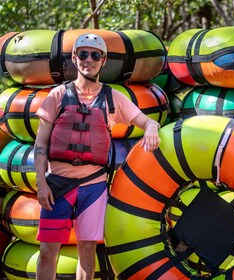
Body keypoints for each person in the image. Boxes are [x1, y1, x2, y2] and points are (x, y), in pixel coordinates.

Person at [34, 33, 161, 280]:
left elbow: (146, 121)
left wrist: (152, 128)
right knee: (48, 251)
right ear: (74, 58)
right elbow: (41, 143)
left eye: (94, 55)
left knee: (88, 250)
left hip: (93, 186)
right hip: (56, 184)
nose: (88, 60)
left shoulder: (113, 98)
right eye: (83, 54)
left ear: (103, 60)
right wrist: (40, 183)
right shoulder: (57, 96)